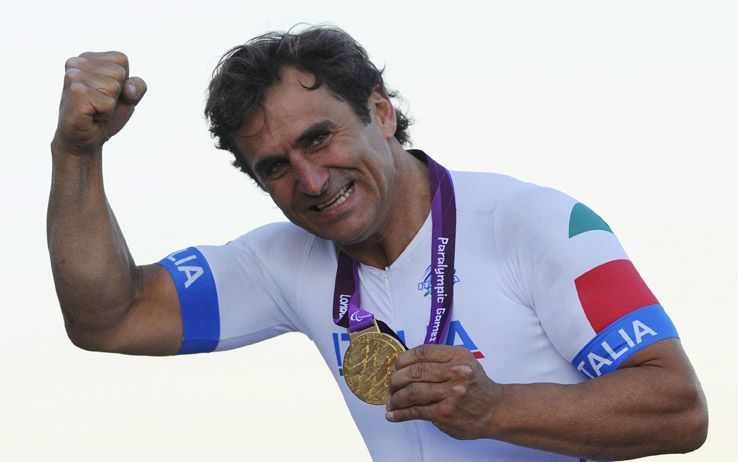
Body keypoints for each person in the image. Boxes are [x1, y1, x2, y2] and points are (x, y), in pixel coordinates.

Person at [48, 26, 707, 461]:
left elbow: (679, 407)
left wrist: (498, 408)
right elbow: (109, 318)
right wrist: (77, 155)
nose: (312, 181)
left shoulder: (538, 223)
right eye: (275, 167)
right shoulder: (284, 261)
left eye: (318, 138)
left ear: (381, 111)